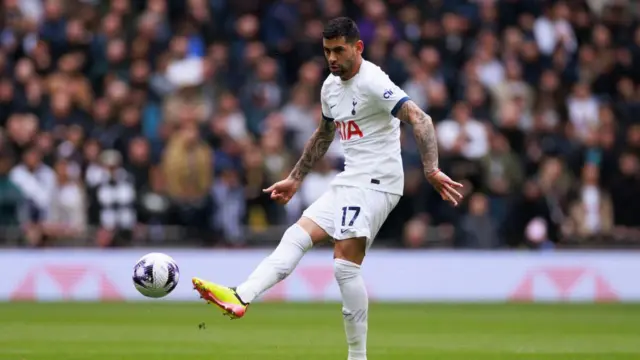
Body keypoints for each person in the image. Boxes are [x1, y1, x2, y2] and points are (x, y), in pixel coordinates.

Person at [192, 17, 463, 360]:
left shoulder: (374, 81)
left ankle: (357, 356)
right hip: (351, 180)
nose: (332, 58)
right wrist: (295, 177)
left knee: (344, 266)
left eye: (339, 50)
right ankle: (240, 295)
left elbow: (419, 118)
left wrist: (432, 169)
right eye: (326, 51)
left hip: (378, 182)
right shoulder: (330, 87)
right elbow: (323, 135)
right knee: (296, 235)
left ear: (357, 47)